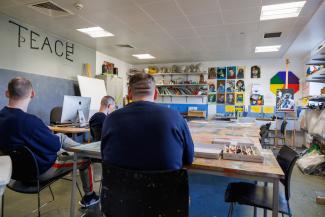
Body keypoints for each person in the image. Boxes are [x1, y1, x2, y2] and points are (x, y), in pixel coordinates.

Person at [0, 77, 99, 208]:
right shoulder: (31, 122)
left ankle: (83, 150)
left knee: (61, 137)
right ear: (33, 94)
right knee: (85, 158)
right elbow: (55, 146)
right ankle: (90, 195)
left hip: (13, 173)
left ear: (7, 93)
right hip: (39, 171)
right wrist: (43, 130)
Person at [101, 73, 194, 170]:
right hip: (166, 184)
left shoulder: (110, 119)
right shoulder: (175, 117)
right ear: (156, 94)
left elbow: (104, 155)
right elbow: (189, 158)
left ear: (129, 93)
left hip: (118, 184)